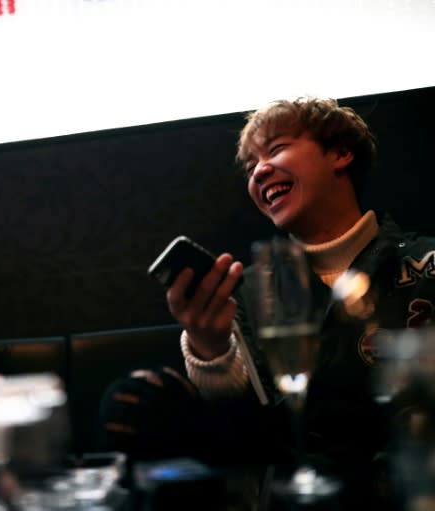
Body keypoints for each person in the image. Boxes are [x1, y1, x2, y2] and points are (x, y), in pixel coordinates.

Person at [98, 97, 435, 495]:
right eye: (250, 165)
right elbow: (243, 438)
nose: (259, 170)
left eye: (276, 149)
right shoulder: (244, 292)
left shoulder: (427, 263)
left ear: (341, 153)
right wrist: (209, 348)